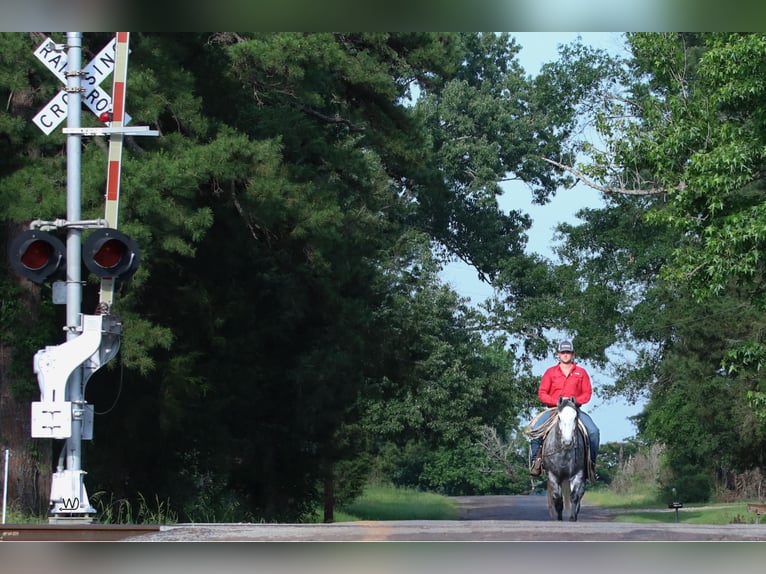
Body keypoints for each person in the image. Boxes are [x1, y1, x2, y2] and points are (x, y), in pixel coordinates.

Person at [528, 340, 600, 477]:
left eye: (568, 352)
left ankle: (591, 465)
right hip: (554, 410)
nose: (565, 355)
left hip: (574, 410)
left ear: (573, 354)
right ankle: (536, 462)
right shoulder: (550, 372)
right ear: (558, 354)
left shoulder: (581, 372)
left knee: (594, 432)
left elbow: (587, 393)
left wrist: (576, 401)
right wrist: (555, 402)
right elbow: (542, 393)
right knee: (534, 430)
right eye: (563, 352)